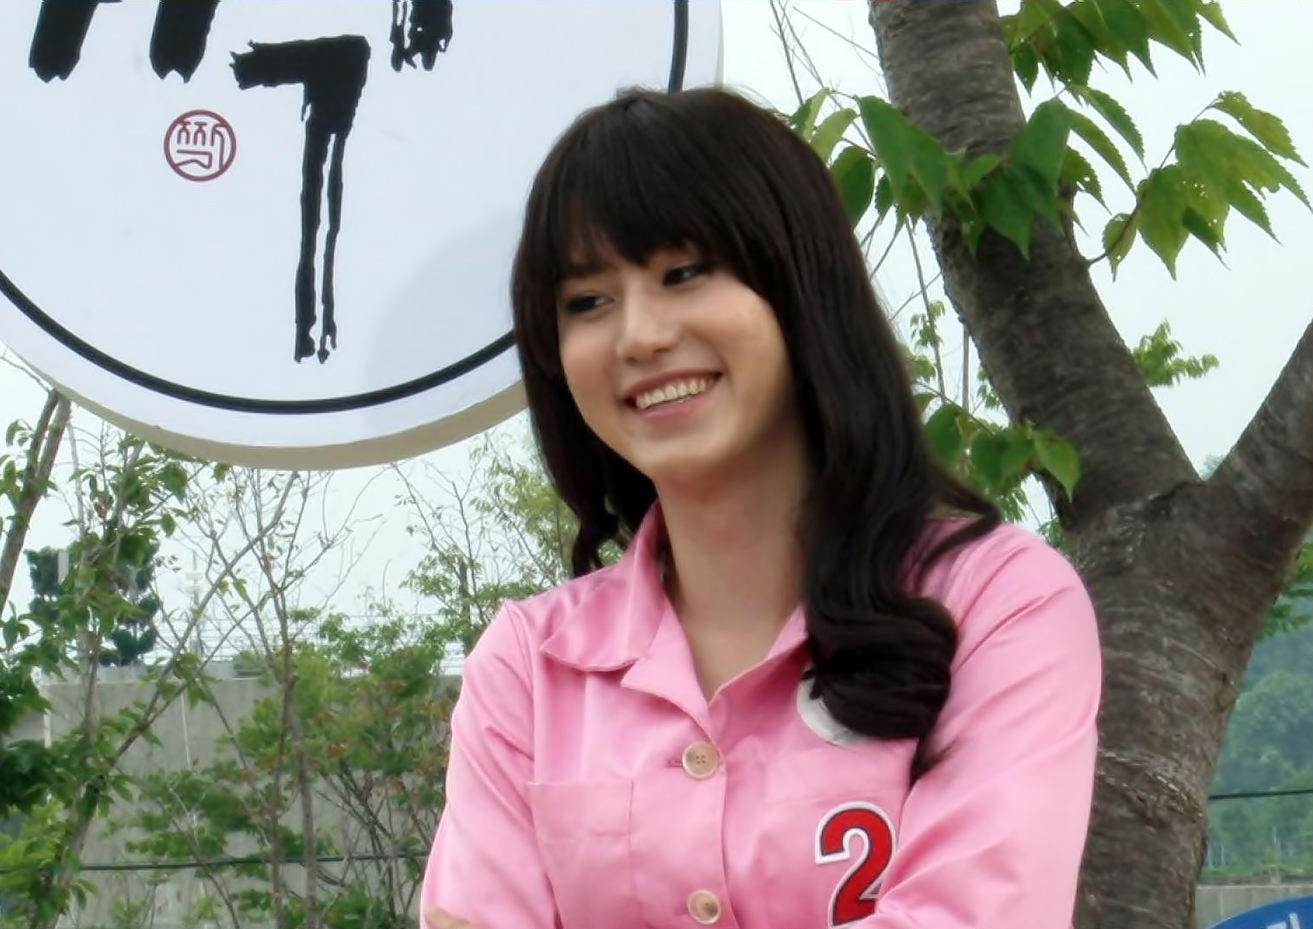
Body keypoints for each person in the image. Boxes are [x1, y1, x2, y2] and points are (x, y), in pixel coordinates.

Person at [418, 85, 1101, 929]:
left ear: (800, 284)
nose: (640, 336)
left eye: (684, 273)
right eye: (588, 301)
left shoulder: (998, 603)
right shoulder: (527, 668)